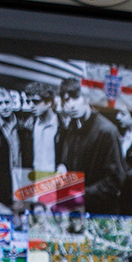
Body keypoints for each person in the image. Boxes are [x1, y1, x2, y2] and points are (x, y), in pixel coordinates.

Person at [54, 78, 124, 214]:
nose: (71, 105)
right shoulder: (72, 127)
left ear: (86, 98)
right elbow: (69, 161)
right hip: (76, 210)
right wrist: (63, 166)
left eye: (76, 97)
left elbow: (115, 181)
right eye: (66, 100)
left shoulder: (107, 131)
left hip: (100, 213)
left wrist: (80, 195)